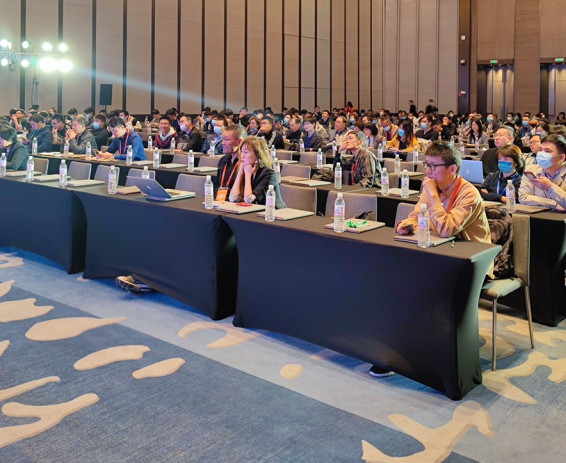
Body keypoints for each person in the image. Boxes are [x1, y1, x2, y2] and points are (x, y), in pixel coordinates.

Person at [367, 141, 493, 379]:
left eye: (434, 166)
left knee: (415, 288)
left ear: (452, 169)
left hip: (471, 262)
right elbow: (416, 215)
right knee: (390, 279)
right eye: (427, 165)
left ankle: (411, 351)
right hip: (438, 254)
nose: (428, 171)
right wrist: (408, 223)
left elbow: (446, 229)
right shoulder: (431, 187)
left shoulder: (468, 193)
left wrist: (433, 196)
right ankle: (394, 349)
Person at [229, 136, 286, 208]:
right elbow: (233, 199)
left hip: (272, 212)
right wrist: (240, 173)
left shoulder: (268, 174)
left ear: (257, 156)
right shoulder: (245, 169)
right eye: (241, 152)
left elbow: (249, 201)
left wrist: (248, 175)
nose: (242, 156)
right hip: (253, 212)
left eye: (245, 152)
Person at [519, 133, 566, 211]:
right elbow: (523, 197)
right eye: (540, 150)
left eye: (547, 151)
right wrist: (554, 204)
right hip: (537, 217)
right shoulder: (531, 170)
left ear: (561, 157)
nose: (541, 154)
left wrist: (550, 187)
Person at [215, 125, 247, 198]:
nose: (223, 143)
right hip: (220, 199)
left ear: (239, 142)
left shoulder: (245, 162)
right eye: (223, 139)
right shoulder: (223, 160)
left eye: (226, 139)